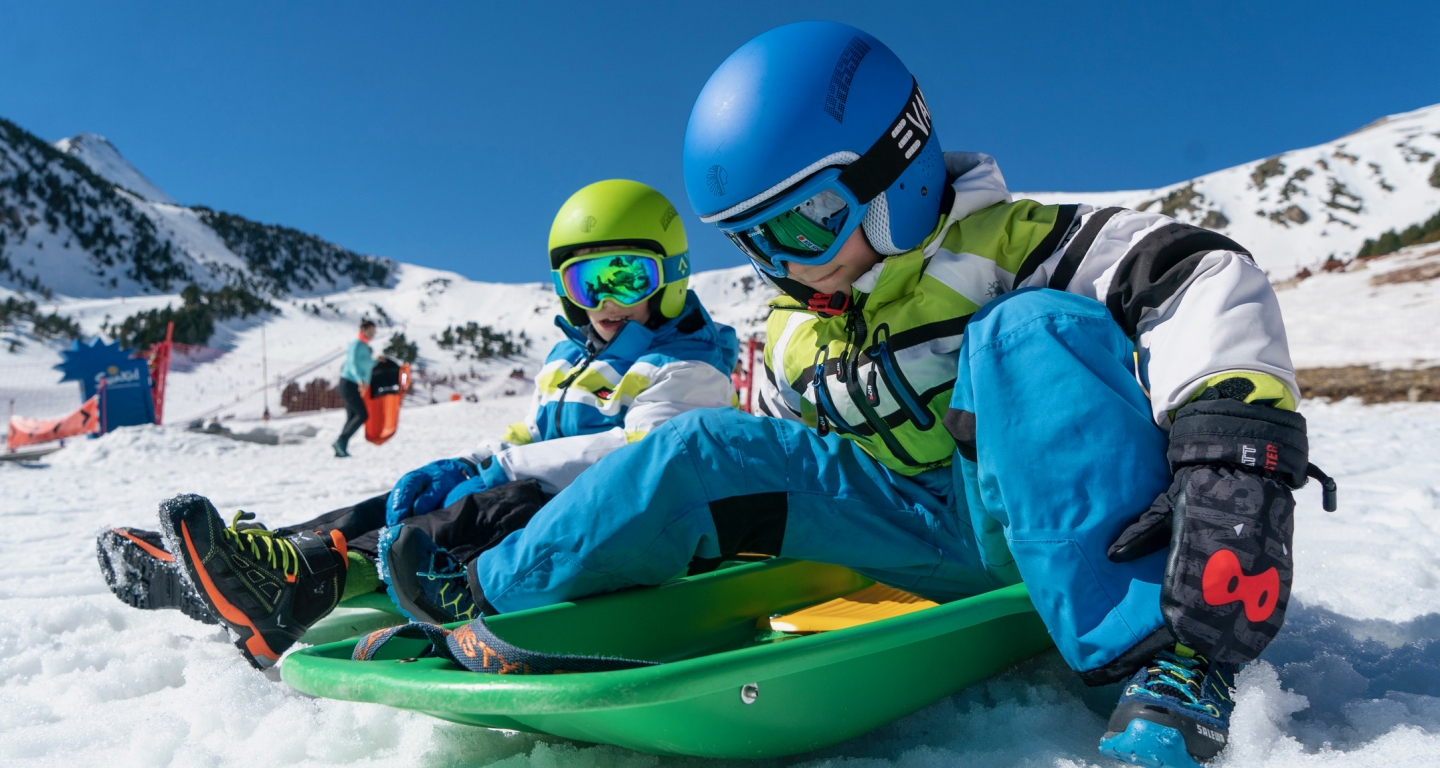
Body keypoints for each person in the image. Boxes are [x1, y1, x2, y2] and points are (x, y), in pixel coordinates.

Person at [358, 24, 1322, 768]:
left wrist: (1232, 447)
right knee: (709, 444)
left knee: (1024, 333)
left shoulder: (1017, 244)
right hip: (916, 530)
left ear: (893, 174)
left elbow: (1204, 276)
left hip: (1075, 524)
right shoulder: (795, 329)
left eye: (808, 224)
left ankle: (1165, 660)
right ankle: (489, 596)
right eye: (757, 243)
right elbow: (764, 469)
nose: (785, 267)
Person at [97, 179, 739, 669]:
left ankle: (297, 588)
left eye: (626, 277)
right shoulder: (570, 357)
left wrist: (507, 469)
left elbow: (644, 459)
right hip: (543, 496)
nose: (604, 300)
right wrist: (473, 459)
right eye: (584, 279)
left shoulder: (688, 366)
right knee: (406, 499)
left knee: (474, 513)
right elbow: (534, 433)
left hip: (615, 523)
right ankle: (253, 561)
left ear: (672, 275)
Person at [334, 320, 379, 457]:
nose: (372, 335)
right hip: (348, 383)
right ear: (363, 330)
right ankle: (341, 442)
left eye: (374, 332)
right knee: (362, 415)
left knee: (351, 417)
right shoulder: (356, 344)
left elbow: (366, 364)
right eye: (370, 331)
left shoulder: (364, 346)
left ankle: (341, 448)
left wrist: (377, 361)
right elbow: (352, 363)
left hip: (353, 384)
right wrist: (360, 379)